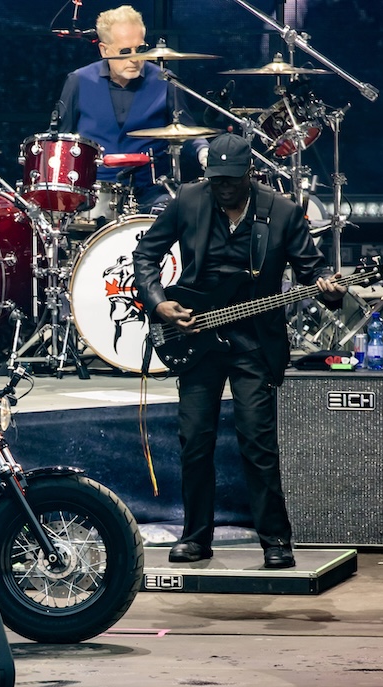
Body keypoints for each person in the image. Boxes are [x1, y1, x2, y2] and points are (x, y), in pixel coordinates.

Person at [132, 133, 344, 569]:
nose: (223, 187)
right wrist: (159, 303)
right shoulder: (189, 200)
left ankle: (275, 540)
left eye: (230, 180)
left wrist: (330, 289)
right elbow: (145, 255)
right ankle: (195, 538)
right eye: (216, 180)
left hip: (254, 342)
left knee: (257, 442)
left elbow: (313, 270)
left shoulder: (282, 212)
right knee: (195, 440)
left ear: (250, 173)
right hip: (196, 338)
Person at [56, 4, 209, 214]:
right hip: (93, 195)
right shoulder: (79, 81)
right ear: (103, 50)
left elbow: (189, 130)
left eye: (141, 49)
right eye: (125, 51)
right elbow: (60, 141)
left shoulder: (165, 81)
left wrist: (204, 150)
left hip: (153, 193)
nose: (134, 58)